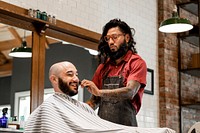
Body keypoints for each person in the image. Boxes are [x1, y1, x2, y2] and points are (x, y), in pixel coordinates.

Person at [24, 61, 175, 133]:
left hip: (125, 122)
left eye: (76, 74)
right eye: (70, 74)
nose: (76, 79)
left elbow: (130, 92)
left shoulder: (136, 63)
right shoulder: (50, 107)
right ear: (54, 79)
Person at [81, 18, 147, 126]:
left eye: (115, 37)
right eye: (108, 39)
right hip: (103, 128)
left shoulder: (136, 62)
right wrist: (77, 109)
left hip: (126, 128)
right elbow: (94, 101)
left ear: (127, 38)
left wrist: (99, 92)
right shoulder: (103, 67)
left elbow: (130, 91)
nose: (111, 42)